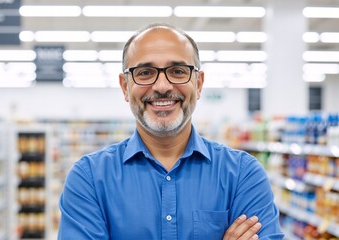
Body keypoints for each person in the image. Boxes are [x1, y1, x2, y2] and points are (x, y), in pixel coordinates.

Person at [58, 23, 284, 239]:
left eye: (177, 71)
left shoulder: (243, 175)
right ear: (125, 86)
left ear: (198, 83)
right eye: (145, 72)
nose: (162, 86)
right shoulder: (89, 178)